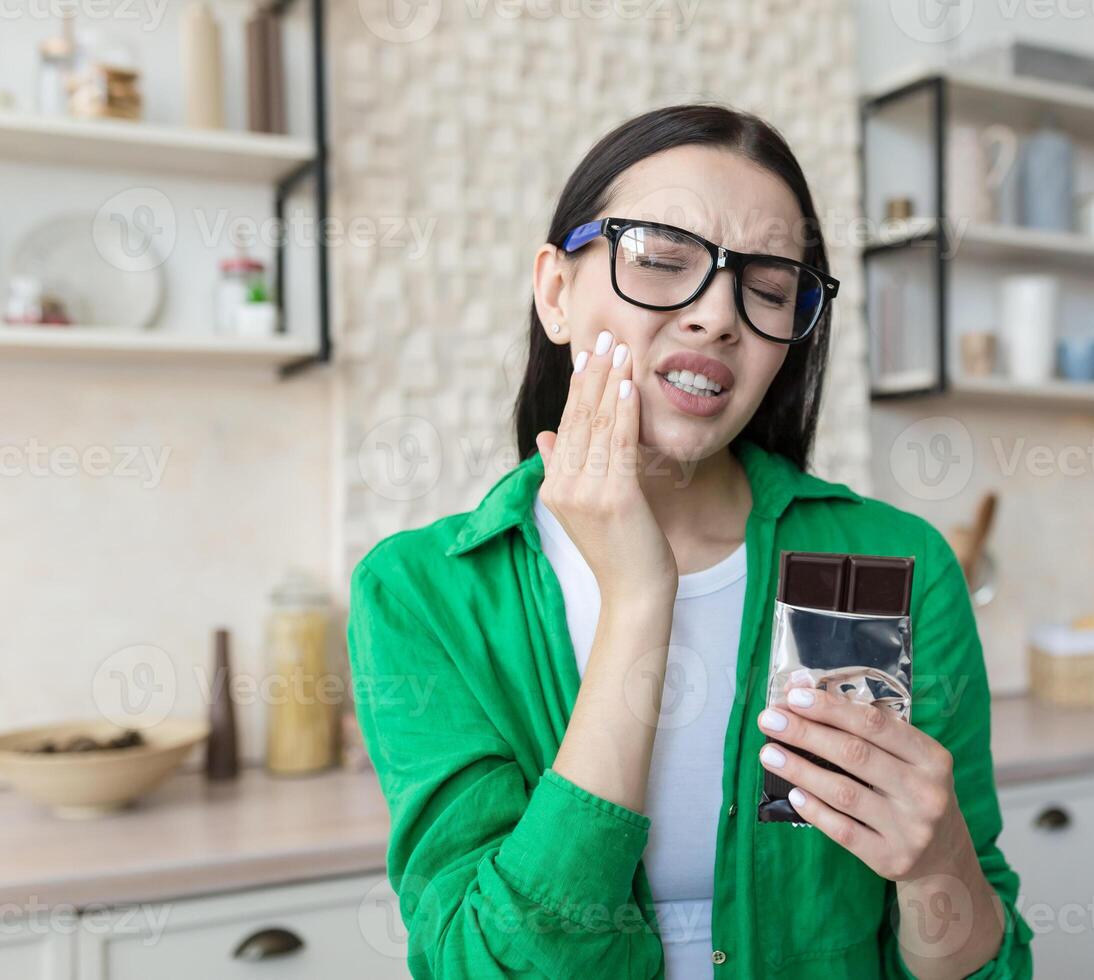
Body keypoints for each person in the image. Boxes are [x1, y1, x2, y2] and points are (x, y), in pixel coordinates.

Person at [347, 103, 1034, 979]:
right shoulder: (422, 594)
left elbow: (984, 963)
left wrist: (938, 863)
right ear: (556, 292)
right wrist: (639, 598)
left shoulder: (887, 565)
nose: (718, 315)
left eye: (771, 290)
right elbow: (486, 965)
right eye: (663, 261)